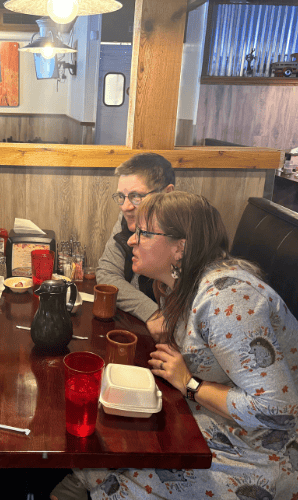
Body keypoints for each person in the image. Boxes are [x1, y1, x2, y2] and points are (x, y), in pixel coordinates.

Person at [51, 191, 298, 500]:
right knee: (107, 436)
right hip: (210, 418)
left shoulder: (227, 299)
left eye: (143, 233)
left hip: (262, 447)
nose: (131, 241)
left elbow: (277, 411)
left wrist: (190, 382)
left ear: (179, 248)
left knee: (121, 468)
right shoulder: (176, 286)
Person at [96, 153, 175, 342]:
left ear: (168, 193)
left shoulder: (183, 236)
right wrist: (151, 312)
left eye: (136, 196)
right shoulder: (129, 218)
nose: (125, 207)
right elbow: (107, 273)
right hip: (141, 330)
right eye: (121, 197)